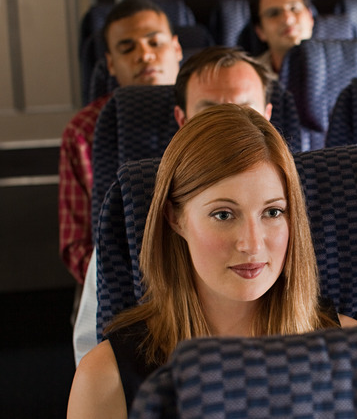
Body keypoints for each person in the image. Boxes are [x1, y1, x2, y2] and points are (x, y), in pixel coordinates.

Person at [68, 104, 357, 418]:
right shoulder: (106, 379)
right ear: (175, 218)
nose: (252, 243)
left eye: (272, 212)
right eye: (223, 214)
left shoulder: (353, 351)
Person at [72, 46, 276, 365]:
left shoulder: (316, 197)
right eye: (210, 112)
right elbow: (90, 348)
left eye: (244, 110)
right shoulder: (132, 209)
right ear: (182, 119)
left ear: (266, 114)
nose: (227, 125)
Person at [58, 0, 182, 288]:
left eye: (155, 43)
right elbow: (76, 244)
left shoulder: (209, 111)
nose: (145, 55)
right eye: (128, 48)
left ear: (177, 49)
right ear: (110, 63)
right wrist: (124, 283)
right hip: (119, 281)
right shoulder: (85, 130)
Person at [250, 0, 314, 78]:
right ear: (260, 31)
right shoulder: (251, 76)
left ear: (310, 17)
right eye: (274, 13)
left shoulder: (340, 68)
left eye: (294, 8)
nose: (288, 20)